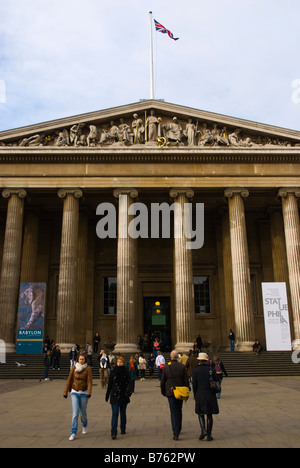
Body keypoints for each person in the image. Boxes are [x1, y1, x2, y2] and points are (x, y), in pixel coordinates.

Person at [161, 350, 190, 441]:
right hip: (180, 391)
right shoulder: (182, 366)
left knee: (173, 411)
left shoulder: (166, 367)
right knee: (179, 410)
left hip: (170, 392)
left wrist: (163, 392)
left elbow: (162, 382)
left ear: (170, 357)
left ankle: (175, 432)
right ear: (178, 357)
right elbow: (186, 380)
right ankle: (179, 427)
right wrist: (187, 389)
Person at [63, 353, 93, 441]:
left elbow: (89, 381)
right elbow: (69, 379)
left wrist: (89, 392)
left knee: (83, 412)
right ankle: (73, 432)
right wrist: (65, 392)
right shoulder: (74, 368)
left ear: (85, 360)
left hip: (84, 393)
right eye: (80, 359)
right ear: (78, 360)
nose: (81, 360)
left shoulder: (88, 369)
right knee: (75, 413)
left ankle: (84, 425)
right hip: (74, 392)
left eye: (83, 359)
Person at [192, 352, 219, 442]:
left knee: (200, 413)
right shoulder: (211, 369)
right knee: (209, 414)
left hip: (200, 394)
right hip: (210, 394)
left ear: (199, 360)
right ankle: (209, 435)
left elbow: (194, 384)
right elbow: (216, 380)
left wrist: (195, 394)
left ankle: (203, 430)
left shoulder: (196, 370)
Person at [105, 356, 132, 439]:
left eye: (120, 362)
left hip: (124, 395)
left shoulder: (126, 371)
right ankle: (113, 432)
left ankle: (123, 428)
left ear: (123, 363)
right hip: (114, 395)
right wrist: (107, 394)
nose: (119, 363)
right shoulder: (113, 372)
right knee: (115, 413)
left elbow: (130, 383)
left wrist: (128, 392)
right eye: (118, 362)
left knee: (123, 413)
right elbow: (109, 384)